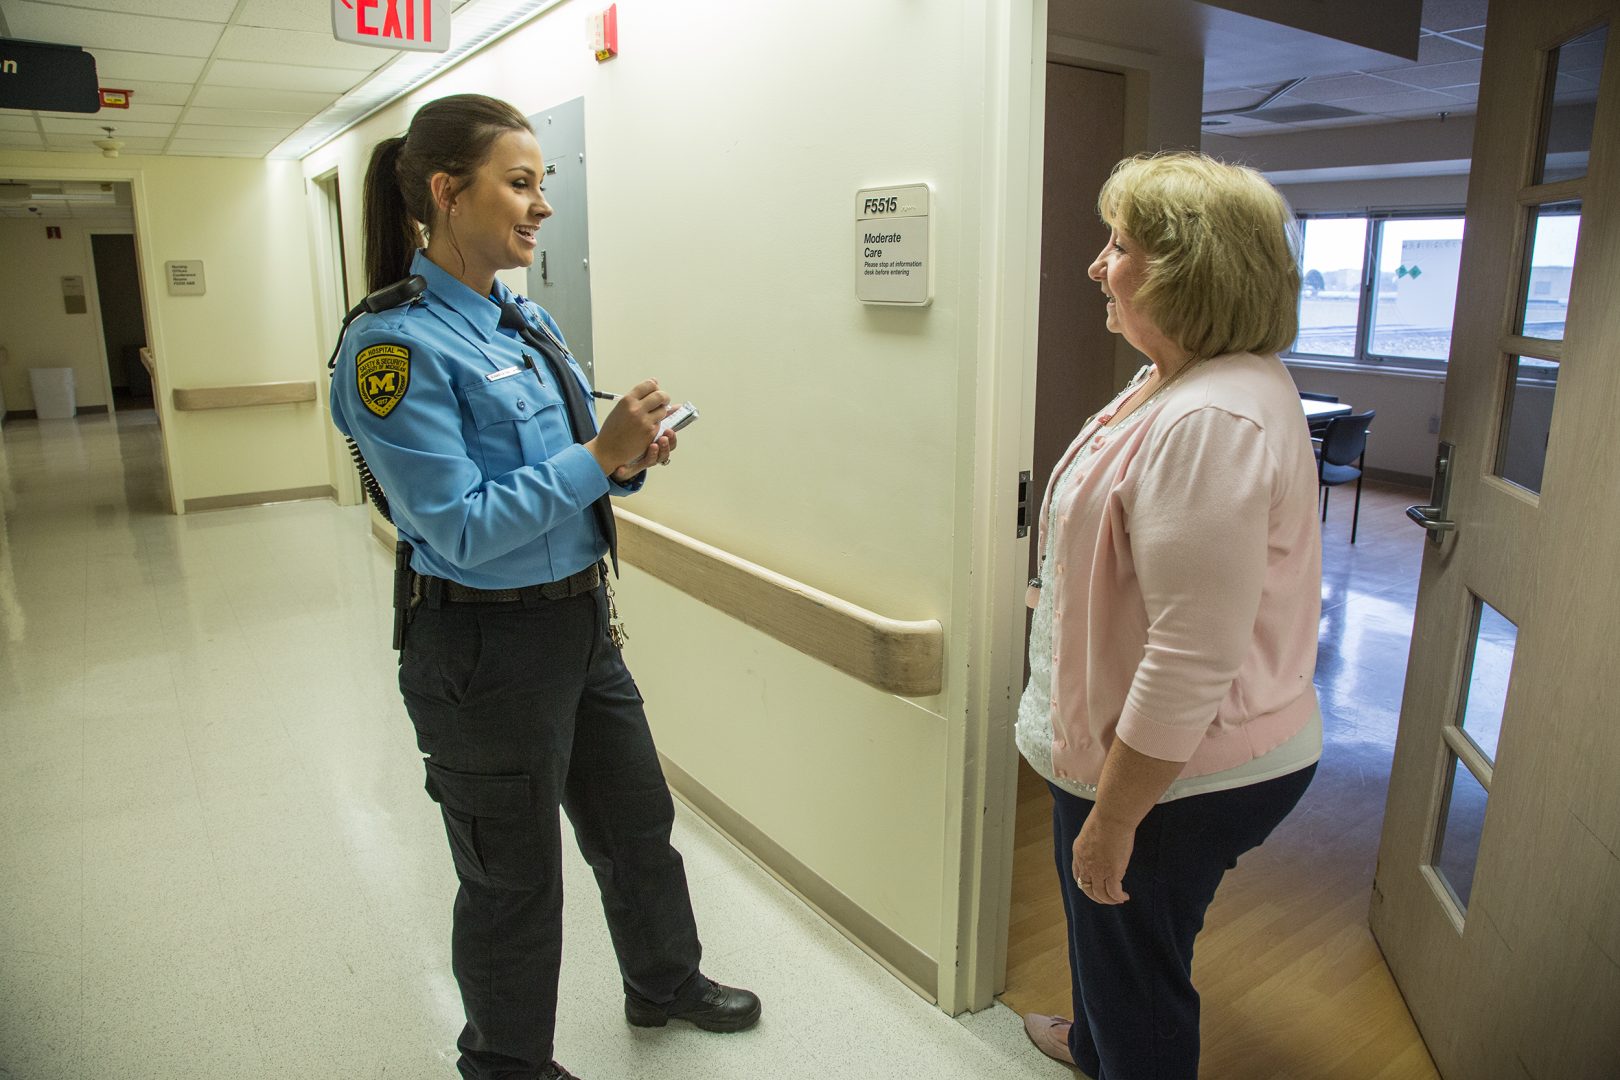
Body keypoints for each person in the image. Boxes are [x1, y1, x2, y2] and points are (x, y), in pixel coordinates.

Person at [330, 94, 760, 1080]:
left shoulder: (522, 317)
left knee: (637, 828)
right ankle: (506, 1064)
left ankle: (664, 981)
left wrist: (625, 456)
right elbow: (458, 528)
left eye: (542, 184)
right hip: (480, 651)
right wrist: (592, 458)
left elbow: (573, 464)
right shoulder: (394, 347)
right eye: (519, 184)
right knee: (512, 884)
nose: (541, 206)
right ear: (446, 192)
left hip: (576, 626)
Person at [1015, 152, 1322, 1080]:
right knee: (1112, 951)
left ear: (1191, 272)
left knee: (1138, 969)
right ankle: (1096, 1041)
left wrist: (1114, 820)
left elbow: (1191, 654)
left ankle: (1121, 1050)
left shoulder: (1210, 421)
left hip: (1173, 774)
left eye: (1120, 247)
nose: (1097, 266)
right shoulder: (1177, 381)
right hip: (1144, 753)